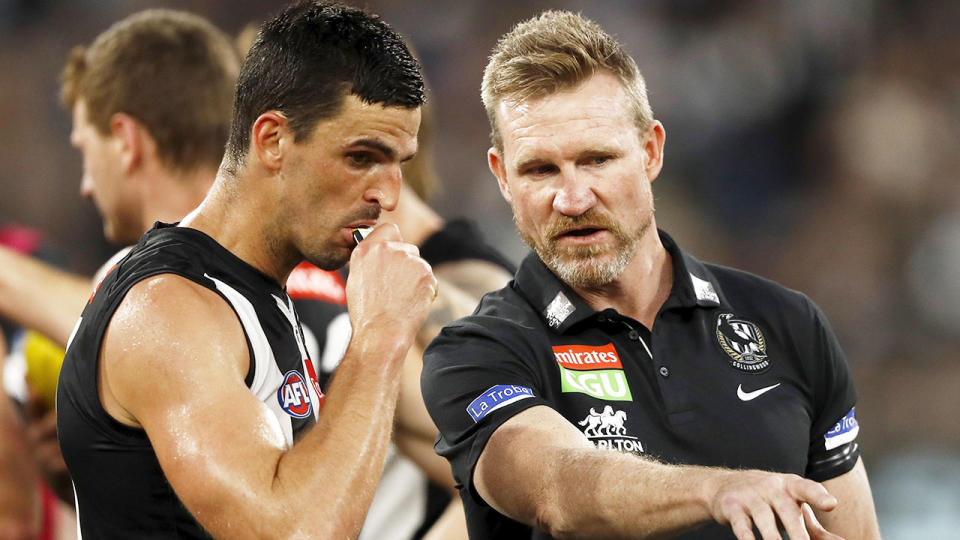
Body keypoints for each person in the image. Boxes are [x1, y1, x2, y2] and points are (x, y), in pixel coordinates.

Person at [421, 10, 882, 540]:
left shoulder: (788, 324)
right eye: (539, 169)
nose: (572, 199)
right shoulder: (477, 351)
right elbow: (557, 491)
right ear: (502, 177)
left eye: (597, 160)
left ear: (651, 151)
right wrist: (716, 492)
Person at [56, 2, 436, 538]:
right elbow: (297, 532)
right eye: (361, 157)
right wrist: (380, 335)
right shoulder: (169, 310)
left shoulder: (254, 288)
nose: (389, 195)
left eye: (400, 164)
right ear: (273, 140)